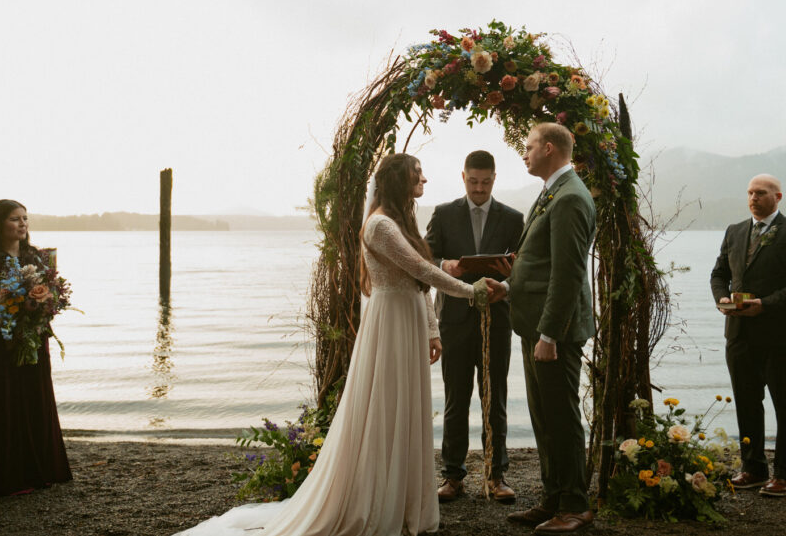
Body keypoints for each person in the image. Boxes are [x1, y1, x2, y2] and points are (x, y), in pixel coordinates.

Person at [176, 154, 499, 536]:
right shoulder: (379, 226)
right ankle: (378, 501)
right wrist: (470, 291)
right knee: (386, 406)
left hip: (408, 320)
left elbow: (419, 284)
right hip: (390, 325)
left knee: (404, 408)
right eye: (417, 176)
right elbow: (423, 270)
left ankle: (405, 499)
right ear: (399, 182)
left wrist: (431, 327)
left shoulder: (401, 221)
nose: (424, 180)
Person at [497, 122, 597, 534]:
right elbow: (540, 263)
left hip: (554, 331)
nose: (524, 153)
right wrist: (508, 285)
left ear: (550, 148)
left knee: (561, 416)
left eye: (529, 146)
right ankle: (553, 498)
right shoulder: (553, 190)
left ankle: (576, 505)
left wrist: (550, 335)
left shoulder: (571, 197)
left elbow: (568, 274)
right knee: (543, 417)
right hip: (534, 324)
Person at [425, 150, 524, 503]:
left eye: (485, 182)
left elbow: (525, 265)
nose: (479, 188)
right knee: (455, 400)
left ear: (494, 179)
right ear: (463, 177)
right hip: (453, 320)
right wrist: (445, 265)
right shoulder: (443, 213)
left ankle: (496, 475)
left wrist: (512, 274)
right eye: (473, 181)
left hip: (497, 319)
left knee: (494, 397)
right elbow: (425, 259)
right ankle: (453, 476)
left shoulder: (513, 218)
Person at [710, 174, 786, 497]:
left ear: (778, 196)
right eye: (750, 193)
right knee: (746, 403)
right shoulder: (735, 231)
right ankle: (753, 468)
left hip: (780, 334)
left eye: (760, 193)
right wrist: (722, 298)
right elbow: (719, 274)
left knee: (785, 404)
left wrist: (765, 305)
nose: (753, 198)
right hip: (738, 333)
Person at [0, 199, 72, 497]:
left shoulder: (37, 257)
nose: (22, 224)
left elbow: (53, 296)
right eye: (14, 219)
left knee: (35, 402)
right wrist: (8, 307)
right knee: (1, 407)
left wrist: (42, 307)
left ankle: (41, 471)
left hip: (32, 340)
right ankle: (6, 480)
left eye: (25, 218)